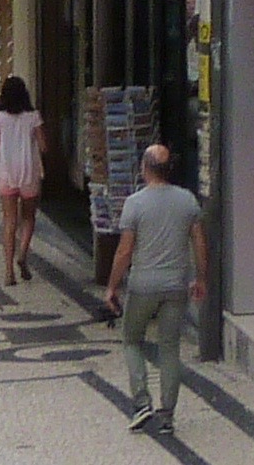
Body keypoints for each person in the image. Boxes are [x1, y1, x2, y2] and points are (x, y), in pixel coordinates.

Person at [104, 144, 208, 435]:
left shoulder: (135, 204)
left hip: (143, 285)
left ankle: (141, 402)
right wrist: (201, 278)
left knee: (132, 340)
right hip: (176, 285)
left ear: (144, 168)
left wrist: (112, 286)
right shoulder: (187, 201)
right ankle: (167, 415)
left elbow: (125, 251)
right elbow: (199, 243)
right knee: (170, 347)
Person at [0, 74, 46, 284]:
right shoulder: (33, 116)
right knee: (28, 217)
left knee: (9, 221)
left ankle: (8, 272)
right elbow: (44, 146)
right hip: (29, 172)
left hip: (6, 173)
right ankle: (22, 254)